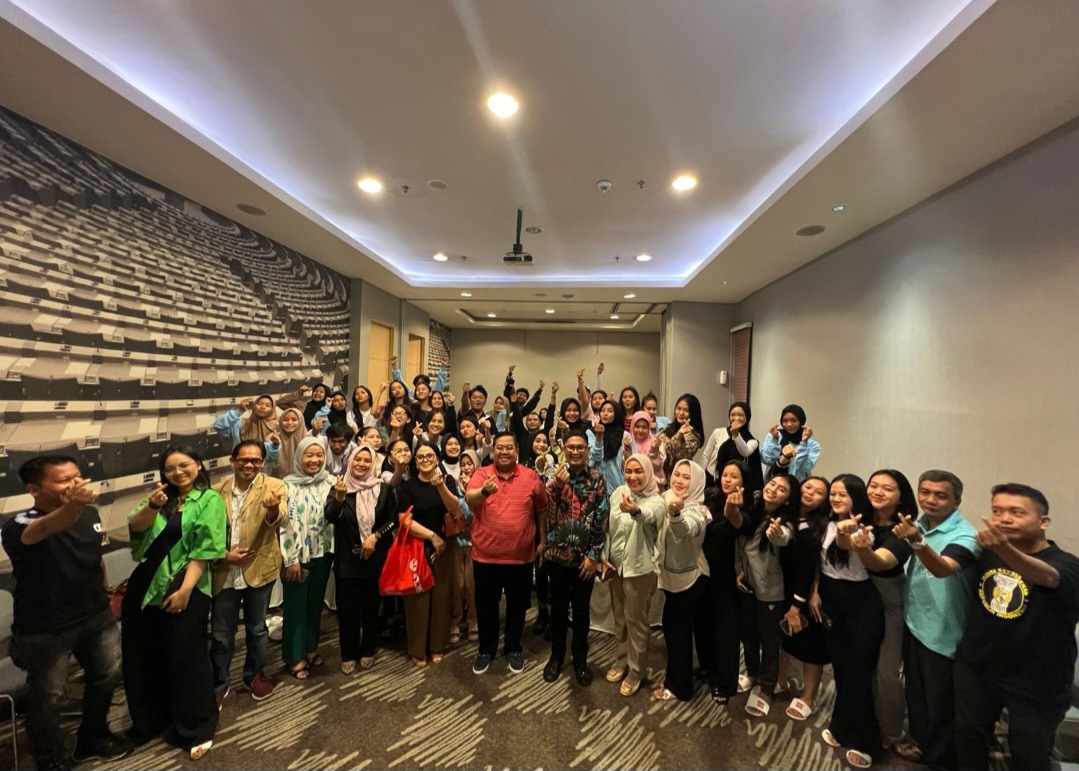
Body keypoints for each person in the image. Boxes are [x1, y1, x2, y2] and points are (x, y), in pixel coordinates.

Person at [2, 456, 130, 769]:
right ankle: (51, 761)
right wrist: (73, 505)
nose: (75, 484)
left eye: (77, 476)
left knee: (106, 676)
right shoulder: (18, 525)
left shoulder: (89, 513)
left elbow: (94, 556)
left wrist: (104, 589)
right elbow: (45, 528)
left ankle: (92, 739)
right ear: (33, 489)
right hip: (45, 629)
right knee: (49, 696)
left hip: (95, 617)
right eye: (63, 480)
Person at [951, 484, 1079, 771]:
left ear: (1044, 521)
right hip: (978, 667)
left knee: (1028, 754)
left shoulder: (1067, 564)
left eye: (1016, 512)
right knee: (968, 737)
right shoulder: (986, 554)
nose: (1004, 518)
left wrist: (1004, 549)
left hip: (1037, 679)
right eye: (997, 511)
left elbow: (1048, 577)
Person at [122, 446, 225, 761]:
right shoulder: (159, 498)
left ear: (198, 465)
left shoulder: (209, 499)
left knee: (186, 658)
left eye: (184, 465)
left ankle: (198, 726)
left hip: (185, 584)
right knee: (145, 656)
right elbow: (137, 527)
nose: (177, 472)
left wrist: (186, 590)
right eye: (170, 468)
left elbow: (206, 549)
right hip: (145, 586)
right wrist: (153, 506)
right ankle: (152, 720)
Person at [891, 470, 978, 771]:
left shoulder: (966, 536)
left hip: (944, 633)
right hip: (914, 622)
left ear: (957, 500)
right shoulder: (917, 524)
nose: (930, 500)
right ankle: (924, 746)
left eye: (941, 495)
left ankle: (942, 761)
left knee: (941, 704)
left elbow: (943, 568)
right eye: (925, 492)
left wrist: (917, 543)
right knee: (916, 695)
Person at [209, 440, 287, 705]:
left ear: (263, 462)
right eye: (243, 460)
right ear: (233, 461)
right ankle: (220, 682)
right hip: (224, 570)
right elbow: (205, 532)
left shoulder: (274, 486)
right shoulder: (215, 491)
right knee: (221, 634)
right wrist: (224, 555)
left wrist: (273, 509)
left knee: (257, 629)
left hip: (259, 568)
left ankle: (253, 674)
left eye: (256, 460)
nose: (249, 465)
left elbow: (281, 517)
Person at [846, 470, 918, 755]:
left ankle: (894, 733)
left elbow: (880, 563)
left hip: (890, 601)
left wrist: (863, 549)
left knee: (887, 671)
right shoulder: (860, 518)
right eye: (873, 485)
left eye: (887, 488)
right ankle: (864, 720)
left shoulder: (904, 529)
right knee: (860, 664)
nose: (877, 491)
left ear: (901, 497)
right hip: (862, 598)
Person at [464, 432, 548, 675]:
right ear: (493, 451)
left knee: (517, 606)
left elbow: (542, 508)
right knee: (486, 606)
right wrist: (485, 491)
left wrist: (543, 540)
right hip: (486, 556)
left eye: (509, 447)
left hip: (521, 557)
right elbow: (470, 499)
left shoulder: (530, 476)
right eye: (499, 447)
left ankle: (513, 647)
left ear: (517, 451)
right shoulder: (482, 474)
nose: (504, 451)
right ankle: (486, 649)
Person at [819, 474, 884, 770]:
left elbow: (845, 546)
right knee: (841, 668)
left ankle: (867, 741)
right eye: (833, 493)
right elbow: (821, 563)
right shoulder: (827, 522)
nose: (835, 498)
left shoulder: (864, 529)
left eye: (842, 494)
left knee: (859, 672)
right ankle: (841, 725)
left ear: (856, 498)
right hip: (831, 598)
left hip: (859, 602)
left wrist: (847, 531)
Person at [541, 431, 609, 686]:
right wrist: (558, 488)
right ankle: (557, 656)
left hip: (584, 560)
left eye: (580, 447)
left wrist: (594, 555)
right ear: (564, 450)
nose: (576, 451)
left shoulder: (596, 479)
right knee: (558, 609)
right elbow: (547, 514)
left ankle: (580, 658)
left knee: (581, 611)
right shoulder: (553, 477)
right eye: (571, 447)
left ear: (587, 450)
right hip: (558, 557)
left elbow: (601, 517)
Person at [324, 446, 398, 673]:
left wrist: (376, 536)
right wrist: (339, 498)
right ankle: (348, 653)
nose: (362, 464)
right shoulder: (340, 487)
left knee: (371, 608)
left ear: (373, 464)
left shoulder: (382, 488)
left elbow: (393, 520)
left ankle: (368, 649)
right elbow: (330, 516)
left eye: (367, 460)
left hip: (375, 558)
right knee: (348, 610)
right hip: (347, 560)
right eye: (358, 459)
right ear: (350, 461)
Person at [736, 474, 798, 717]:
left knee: (769, 641)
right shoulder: (752, 510)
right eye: (772, 484)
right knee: (748, 635)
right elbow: (739, 543)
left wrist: (776, 533)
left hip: (770, 592)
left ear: (787, 499)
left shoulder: (784, 523)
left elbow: (783, 537)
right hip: (746, 585)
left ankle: (767, 688)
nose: (773, 489)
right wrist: (738, 571)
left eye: (781, 489)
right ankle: (752, 674)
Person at [397, 441, 463, 667]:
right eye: (421, 457)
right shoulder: (408, 486)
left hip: (445, 548)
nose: (425, 460)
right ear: (415, 462)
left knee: (442, 596)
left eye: (430, 456)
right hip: (417, 546)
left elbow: (454, 508)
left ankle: (437, 645)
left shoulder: (447, 481)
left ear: (437, 459)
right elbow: (404, 520)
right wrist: (431, 536)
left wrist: (441, 486)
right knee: (417, 599)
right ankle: (417, 649)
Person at [602, 454, 663, 697]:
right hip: (616, 566)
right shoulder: (619, 492)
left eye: (639, 471)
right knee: (619, 618)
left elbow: (649, 515)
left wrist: (635, 510)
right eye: (629, 471)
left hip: (639, 569)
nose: (633, 476)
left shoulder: (656, 500)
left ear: (648, 472)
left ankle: (636, 671)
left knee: (636, 621)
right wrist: (604, 557)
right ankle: (621, 660)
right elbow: (608, 527)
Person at [651, 460, 710, 701]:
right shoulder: (665, 497)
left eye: (687, 477)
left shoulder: (699, 510)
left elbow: (686, 530)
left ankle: (680, 688)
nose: (679, 480)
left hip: (691, 580)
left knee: (677, 633)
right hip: (673, 578)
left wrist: (675, 513)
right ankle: (677, 679)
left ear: (696, 483)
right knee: (676, 631)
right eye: (677, 474)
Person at [279, 437, 335, 680]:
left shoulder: (331, 482)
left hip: (324, 553)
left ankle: (311, 648)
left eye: (319, 455)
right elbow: (284, 524)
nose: (315, 460)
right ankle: (294, 657)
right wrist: (290, 558)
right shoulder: (287, 486)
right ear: (299, 457)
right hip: (297, 557)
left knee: (314, 605)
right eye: (309, 455)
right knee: (295, 608)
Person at [777, 476, 832, 721]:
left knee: (812, 645)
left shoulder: (821, 526)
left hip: (808, 592)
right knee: (783, 636)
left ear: (824, 501)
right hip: (783, 585)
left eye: (818, 492)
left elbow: (815, 566)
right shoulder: (786, 513)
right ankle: (780, 679)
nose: (810, 492)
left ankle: (808, 695)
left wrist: (799, 603)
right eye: (808, 486)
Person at [699, 460, 751, 703]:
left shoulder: (747, 504)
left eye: (734, 476)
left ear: (744, 481)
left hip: (728, 574)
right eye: (725, 475)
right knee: (703, 622)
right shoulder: (710, 497)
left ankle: (724, 682)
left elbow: (739, 523)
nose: (727, 480)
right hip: (703, 568)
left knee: (725, 629)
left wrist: (732, 509)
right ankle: (708, 668)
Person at [449, 450, 481, 645]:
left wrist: (470, 487)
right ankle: (454, 621)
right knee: (457, 585)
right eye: (463, 464)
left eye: (470, 464)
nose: (466, 468)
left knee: (471, 585)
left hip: (474, 543)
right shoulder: (453, 485)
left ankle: (473, 620)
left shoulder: (481, 486)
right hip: (455, 542)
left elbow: (474, 514)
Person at [702, 401, 764, 495]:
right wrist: (699, 476)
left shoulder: (752, 441)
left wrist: (736, 435)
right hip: (712, 477)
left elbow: (745, 452)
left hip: (733, 482)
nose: (736, 418)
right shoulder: (718, 432)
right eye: (732, 414)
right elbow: (706, 456)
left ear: (747, 417)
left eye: (740, 415)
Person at [211, 395, 281, 468]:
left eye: (268, 405)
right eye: (259, 404)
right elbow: (218, 426)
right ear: (254, 405)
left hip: (263, 470)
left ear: (272, 409)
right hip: (240, 467)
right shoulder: (241, 424)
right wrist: (240, 411)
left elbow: (272, 456)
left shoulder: (277, 427)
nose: (263, 407)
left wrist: (275, 445)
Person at [760, 404, 820, 482]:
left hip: (798, 484)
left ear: (801, 421)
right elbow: (768, 460)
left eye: (794, 420)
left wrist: (803, 443)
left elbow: (805, 468)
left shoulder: (812, 445)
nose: (789, 424)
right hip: (774, 482)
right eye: (785, 421)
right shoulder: (775, 435)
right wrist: (774, 440)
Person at [657, 393, 703, 479]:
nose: (681, 413)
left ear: (693, 413)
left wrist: (679, 435)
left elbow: (681, 457)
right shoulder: (667, 427)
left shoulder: (693, 436)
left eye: (686, 410)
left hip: (676, 478)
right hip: (659, 476)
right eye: (678, 408)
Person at [589, 399, 628, 492]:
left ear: (617, 414)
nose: (605, 414)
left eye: (610, 411)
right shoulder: (592, 433)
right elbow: (595, 458)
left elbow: (631, 461)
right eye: (602, 410)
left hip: (619, 486)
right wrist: (599, 437)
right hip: (597, 487)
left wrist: (628, 449)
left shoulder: (624, 435)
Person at [623, 410, 666, 489]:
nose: (640, 430)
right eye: (637, 426)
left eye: (644, 427)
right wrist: (628, 449)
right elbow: (625, 465)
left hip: (653, 486)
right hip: (633, 484)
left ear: (649, 427)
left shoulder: (656, 442)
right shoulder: (628, 441)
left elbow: (657, 465)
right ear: (632, 426)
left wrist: (654, 450)